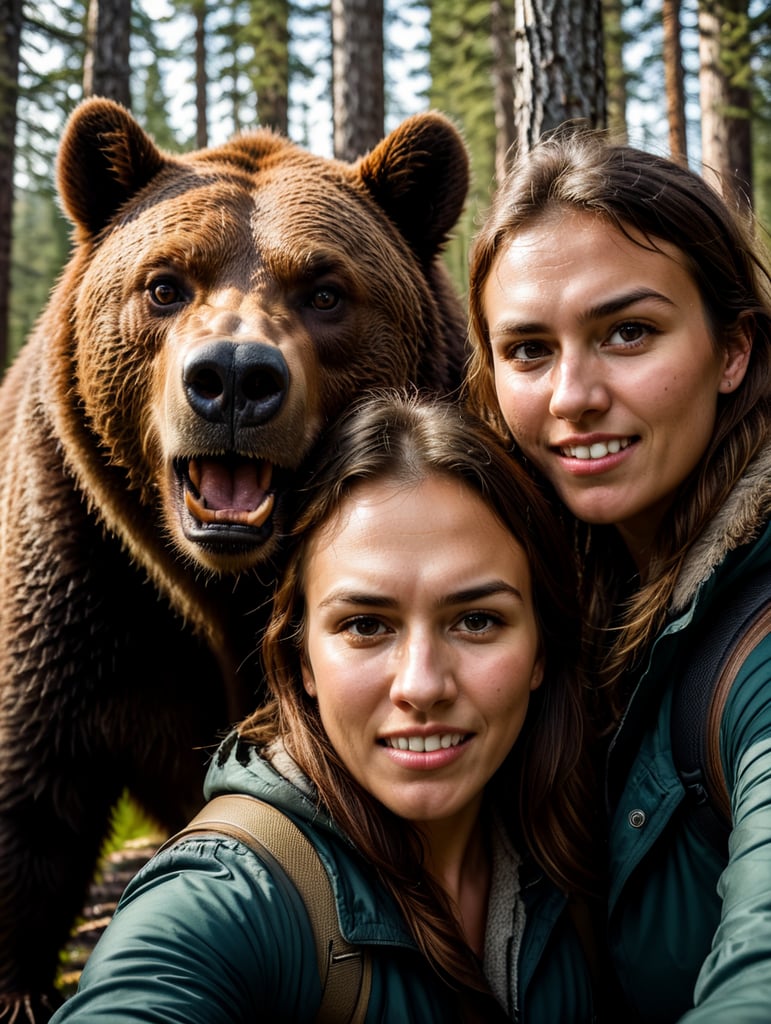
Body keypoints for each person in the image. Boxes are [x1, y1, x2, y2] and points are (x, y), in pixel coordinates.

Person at [50, 390, 599, 1023]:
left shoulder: (572, 856)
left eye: (477, 620)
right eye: (366, 626)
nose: (421, 686)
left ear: (540, 649)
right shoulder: (230, 894)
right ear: (303, 659)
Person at [465, 124, 771, 1023]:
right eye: (527, 349)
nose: (572, 396)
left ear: (732, 352)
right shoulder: (533, 579)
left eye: (627, 333)